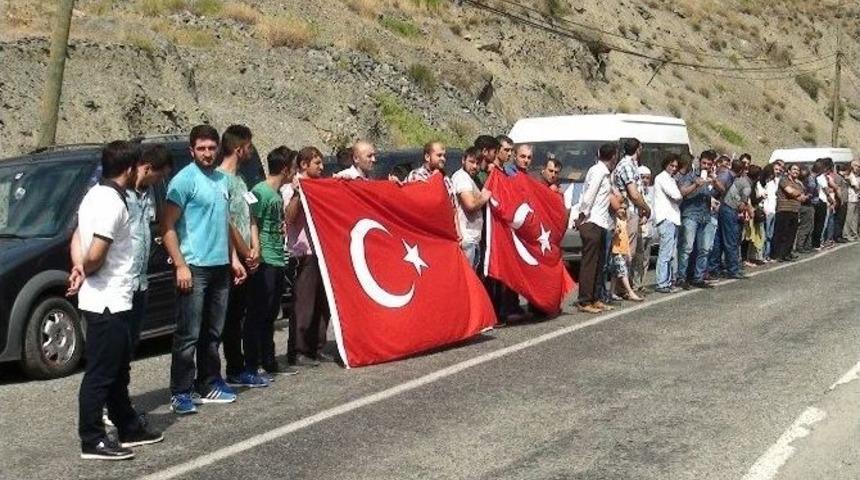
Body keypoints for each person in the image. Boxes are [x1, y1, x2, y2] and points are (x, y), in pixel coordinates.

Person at [69, 141, 163, 460]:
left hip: (112, 299)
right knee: (102, 372)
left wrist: (78, 266)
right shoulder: (112, 203)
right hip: (108, 300)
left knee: (117, 368)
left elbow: (77, 237)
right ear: (128, 169)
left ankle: (127, 426)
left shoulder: (93, 195)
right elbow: (96, 250)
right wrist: (87, 265)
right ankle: (92, 438)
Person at [163, 125, 245, 415]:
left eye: (212, 148)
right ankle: (181, 391)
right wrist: (181, 265)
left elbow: (223, 222)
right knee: (188, 334)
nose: (207, 154)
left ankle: (208, 382)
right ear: (192, 151)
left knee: (213, 332)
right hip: (194, 268)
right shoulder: (183, 181)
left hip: (220, 267)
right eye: (202, 149)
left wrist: (233, 258)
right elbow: (168, 227)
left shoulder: (222, 180)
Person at [217, 125, 265, 388]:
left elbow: (250, 216)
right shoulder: (219, 179)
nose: (250, 151)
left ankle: (244, 366)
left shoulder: (242, 179)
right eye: (249, 146)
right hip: (231, 260)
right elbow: (227, 223)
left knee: (243, 314)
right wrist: (242, 253)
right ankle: (232, 369)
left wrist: (255, 246)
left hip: (248, 257)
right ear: (239, 148)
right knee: (230, 319)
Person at [247, 147, 299, 381]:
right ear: (286, 168)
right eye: (294, 167)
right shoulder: (260, 191)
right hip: (265, 258)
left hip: (278, 257)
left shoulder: (278, 195)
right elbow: (252, 221)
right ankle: (254, 361)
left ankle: (269, 360)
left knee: (271, 313)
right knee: (259, 312)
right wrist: (256, 250)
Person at [284, 147, 330, 367]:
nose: (321, 167)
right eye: (317, 163)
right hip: (304, 253)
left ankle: (316, 346)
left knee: (322, 303)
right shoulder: (290, 188)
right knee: (304, 303)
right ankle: (298, 350)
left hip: (321, 250)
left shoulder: (320, 185)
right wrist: (297, 194)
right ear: (304, 165)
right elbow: (289, 218)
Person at [574, 143, 618, 313]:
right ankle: (584, 300)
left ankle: (595, 297)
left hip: (601, 221)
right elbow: (589, 195)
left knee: (599, 263)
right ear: (613, 156)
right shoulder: (598, 171)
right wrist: (582, 215)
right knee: (590, 263)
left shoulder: (606, 173)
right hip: (592, 221)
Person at [612, 138, 652, 290]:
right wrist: (647, 208)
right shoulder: (627, 165)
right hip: (628, 212)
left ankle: (626, 286)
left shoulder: (631, 165)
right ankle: (621, 288)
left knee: (633, 251)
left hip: (634, 211)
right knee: (627, 251)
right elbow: (634, 194)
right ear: (638, 149)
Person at [677, 150, 716, 289]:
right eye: (704, 163)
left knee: (704, 248)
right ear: (699, 162)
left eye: (708, 164)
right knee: (687, 247)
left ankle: (698, 277)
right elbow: (683, 193)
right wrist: (696, 184)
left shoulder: (711, 177)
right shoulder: (691, 175)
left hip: (705, 216)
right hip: (691, 214)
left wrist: (714, 180)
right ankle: (681, 277)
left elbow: (722, 191)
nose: (705, 166)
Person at [709, 159, 752, 279]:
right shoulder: (741, 182)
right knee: (731, 241)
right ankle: (733, 269)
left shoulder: (728, 176)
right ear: (742, 170)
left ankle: (714, 267)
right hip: (730, 210)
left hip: (722, 208)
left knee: (720, 240)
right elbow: (742, 203)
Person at [451, 147, 491, 270]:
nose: (474, 166)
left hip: (472, 239)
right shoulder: (462, 178)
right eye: (471, 162)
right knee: (467, 281)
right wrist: (484, 197)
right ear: (463, 160)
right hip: (466, 238)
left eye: (478, 163)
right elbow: (470, 205)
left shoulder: (469, 179)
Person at [653, 154, 683, 293]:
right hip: (666, 219)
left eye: (676, 166)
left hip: (673, 218)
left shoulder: (671, 179)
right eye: (671, 165)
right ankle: (661, 282)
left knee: (672, 252)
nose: (674, 168)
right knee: (665, 252)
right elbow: (676, 195)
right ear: (666, 164)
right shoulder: (662, 178)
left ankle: (669, 280)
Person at [772, 164, 807, 262]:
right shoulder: (784, 180)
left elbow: (802, 197)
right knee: (782, 233)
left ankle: (787, 253)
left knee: (791, 234)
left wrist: (797, 194)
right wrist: (797, 194)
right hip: (784, 210)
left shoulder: (799, 183)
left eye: (798, 170)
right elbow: (790, 191)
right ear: (789, 171)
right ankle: (778, 254)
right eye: (794, 169)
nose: (796, 171)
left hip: (795, 210)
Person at [610, 200, 643, 302]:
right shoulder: (614, 220)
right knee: (623, 272)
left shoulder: (624, 221)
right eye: (621, 208)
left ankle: (611, 292)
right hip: (616, 251)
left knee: (615, 273)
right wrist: (615, 232)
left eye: (625, 208)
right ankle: (630, 292)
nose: (623, 211)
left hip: (623, 250)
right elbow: (611, 236)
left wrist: (628, 252)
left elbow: (625, 238)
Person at [632, 165, 653, 289]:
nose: (645, 180)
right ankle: (635, 283)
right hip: (639, 229)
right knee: (637, 259)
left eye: (647, 178)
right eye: (642, 177)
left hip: (648, 229)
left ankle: (641, 283)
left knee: (646, 259)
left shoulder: (649, 191)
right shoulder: (636, 192)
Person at [757, 163, 781, 262]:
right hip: (766, 210)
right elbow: (761, 196)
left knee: (770, 235)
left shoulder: (774, 182)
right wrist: (763, 208)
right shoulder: (761, 183)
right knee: (764, 235)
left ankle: (767, 254)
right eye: (774, 170)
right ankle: (761, 255)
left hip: (773, 210)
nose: (776, 172)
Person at [795, 166, 817, 253]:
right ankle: (800, 246)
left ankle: (807, 245)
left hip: (809, 205)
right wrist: (808, 195)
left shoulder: (804, 182)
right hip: (805, 206)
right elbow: (806, 194)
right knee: (805, 227)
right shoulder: (800, 183)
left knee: (810, 227)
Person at [845, 160, 860, 242]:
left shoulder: (857, 176)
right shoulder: (850, 176)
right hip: (851, 199)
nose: (857, 168)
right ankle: (847, 234)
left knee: (855, 217)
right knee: (849, 218)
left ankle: (854, 233)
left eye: (858, 166)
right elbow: (856, 187)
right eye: (856, 166)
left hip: (856, 199)